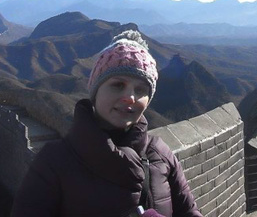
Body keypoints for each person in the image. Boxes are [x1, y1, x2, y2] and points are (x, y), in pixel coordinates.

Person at [11, 30, 203, 217]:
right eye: (118, 85)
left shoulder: (160, 154)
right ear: (96, 90)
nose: (130, 97)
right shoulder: (54, 161)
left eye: (141, 89)